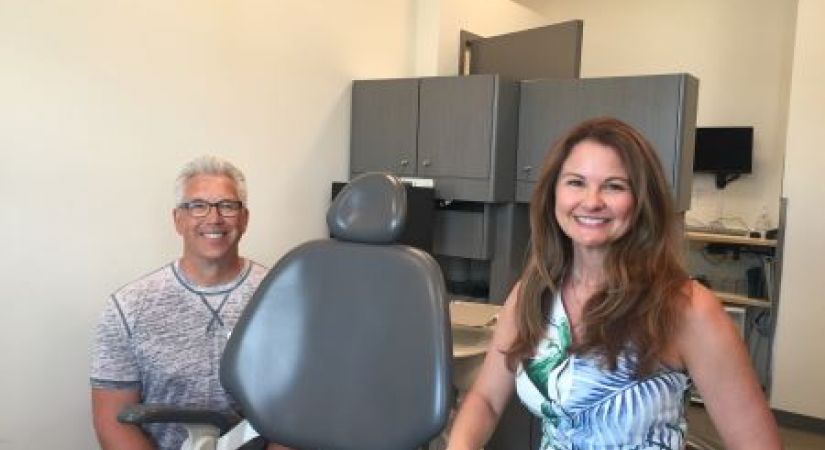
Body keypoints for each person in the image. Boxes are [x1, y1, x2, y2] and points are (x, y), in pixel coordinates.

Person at [446, 118, 782, 450]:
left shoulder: (688, 308)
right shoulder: (533, 293)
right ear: (553, 195)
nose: (591, 201)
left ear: (641, 201)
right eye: (576, 182)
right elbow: (486, 400)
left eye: (614, 186)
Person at [90, 156, 288, 450]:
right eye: (197, 205)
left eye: (228, 205)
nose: (214, 218)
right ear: (178, 220)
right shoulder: (128, 307)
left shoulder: (284, 299)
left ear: (244, 219)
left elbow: (300, 408)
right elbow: (112, 420)